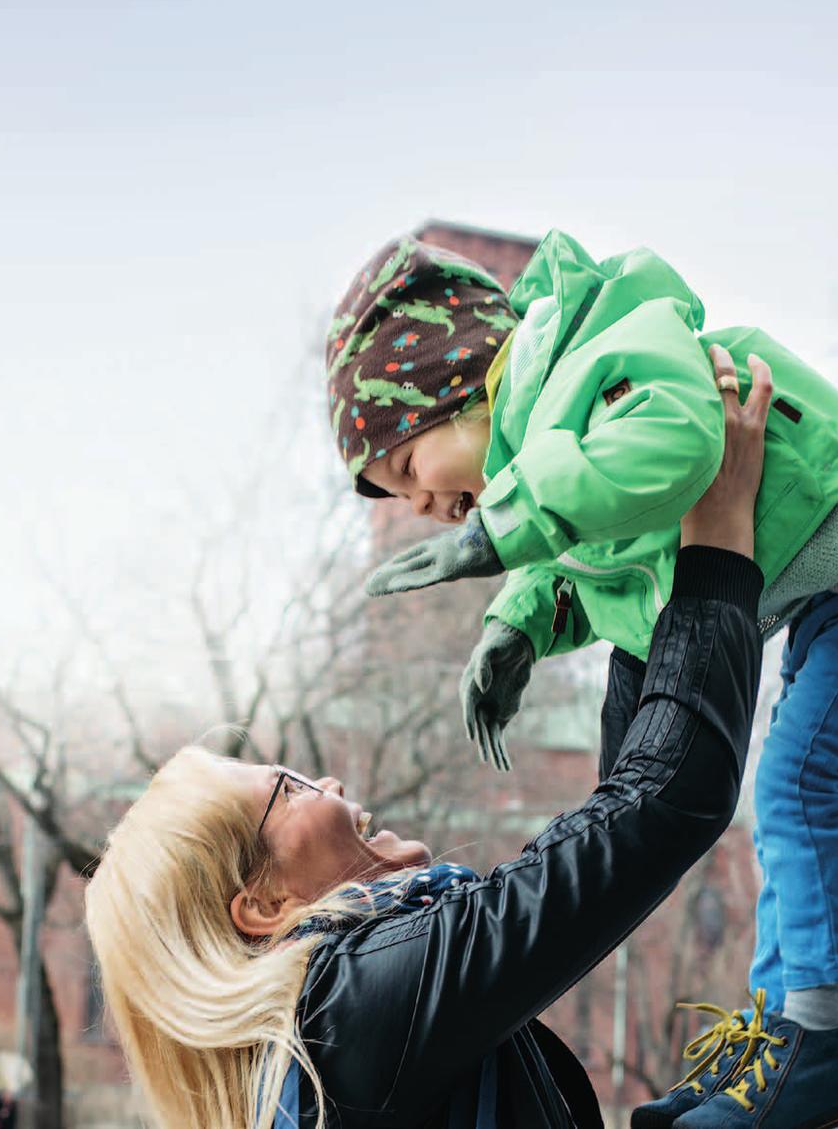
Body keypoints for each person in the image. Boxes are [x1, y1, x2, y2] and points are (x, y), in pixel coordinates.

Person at [327, 230, 838, 1126]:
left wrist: (503, 531)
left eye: (409, 469)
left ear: (465, 384)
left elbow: (680, 441)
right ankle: (775, 1041)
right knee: (733, 787)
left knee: (803, 783)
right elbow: (603, 562)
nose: (417, 506)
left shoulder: (602, 346)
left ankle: (824, 1040)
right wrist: (516, 627)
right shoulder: (558, 442)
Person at [86, 348, 771, 1128]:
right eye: (290, 790)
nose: (333, 786)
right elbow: (657, 806)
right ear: (263, 904)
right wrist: (715, 537)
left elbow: (616, 838)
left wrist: (634, 587)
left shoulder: (329, 1058)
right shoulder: (351, 1014)